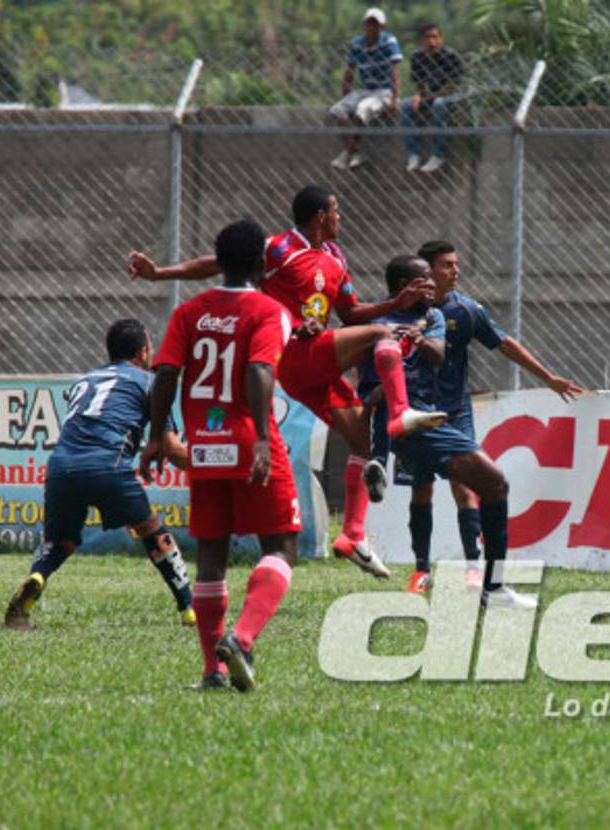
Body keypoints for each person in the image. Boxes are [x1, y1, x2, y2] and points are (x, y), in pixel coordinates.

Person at [127, 186, 445, 580]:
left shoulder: (335, 256)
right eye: (336, 211)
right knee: (383, 335)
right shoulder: (280, 248)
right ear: (320, 216)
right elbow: (217, 263)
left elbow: (350, 313)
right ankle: (399, 414)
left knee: (361, 439)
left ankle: (353, 536)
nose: (340, 218)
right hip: (292, 352)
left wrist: (394, 305)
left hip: (314, 366)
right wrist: (160, 273)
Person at [142, 219, 302, 692]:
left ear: (220, 261)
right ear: (260, 263)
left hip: (205, 448)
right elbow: (258, 369)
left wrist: (157, 436)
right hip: (251, 444)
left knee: (212, 553)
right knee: (281, 546)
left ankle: (213, 670)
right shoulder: (269, 310)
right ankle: (242, 639)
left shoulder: (190, 311)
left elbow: (165, 373)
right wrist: (260, 439)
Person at [392, 240, 584, 593]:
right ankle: (421, 571)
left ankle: (473, 567)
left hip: (454, 412)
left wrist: (547, 377)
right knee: (421, 489)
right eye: (447, 265)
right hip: (415, 413)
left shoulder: (465, 310)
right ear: (427, 271)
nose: (456, 270)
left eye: (456, 264)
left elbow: (504, 343)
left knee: (466, 486)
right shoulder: (402, 311)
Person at [359, 255, 535, 608]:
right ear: (402, 287)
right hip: (405, 424)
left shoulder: (434, 317)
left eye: (431, 278)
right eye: (423, 279)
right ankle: (481, 585)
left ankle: (482, 576)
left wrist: (419, 338)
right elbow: (365, 386)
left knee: (485, 485)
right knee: (491, 483)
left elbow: (437, 354)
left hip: (428, 419)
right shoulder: (375, 323)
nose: (431, 284)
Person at [4, 320, 192, 630]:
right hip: (108, 464)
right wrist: (215, 469)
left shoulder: (86, 379)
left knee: (60, 542)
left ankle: (38, 575)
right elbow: (172, 449)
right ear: (143, 352)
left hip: (61, 467)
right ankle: (188, 607)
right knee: (150, 528)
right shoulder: (150, 382)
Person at [329, 7, 403, 170]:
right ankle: (353, 151)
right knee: (337, 111)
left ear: (382, 26)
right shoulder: (357, 43)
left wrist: (395, 97)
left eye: (375, 24)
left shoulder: (388, 41)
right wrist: (345, 95)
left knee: (362, 109)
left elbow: (394, 71)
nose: (372, 27)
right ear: (364, 25)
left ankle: (348, 152)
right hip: (364, 90)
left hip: (383, 90)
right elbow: (350, 70)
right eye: (369, 23)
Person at [400, 23, 466, 174]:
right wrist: (418, 96)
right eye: (427, 38)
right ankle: (413, 154)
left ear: (441, 39)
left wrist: (425, 98)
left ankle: (438, 155)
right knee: (404, 105)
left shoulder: (451, 56)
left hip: (453, 95)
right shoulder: (418, 57)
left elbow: (452, 87)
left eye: (434, 37)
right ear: (422, 41)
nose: (431, 42)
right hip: (430, 96)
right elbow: (419, 84)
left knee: (438, 104)